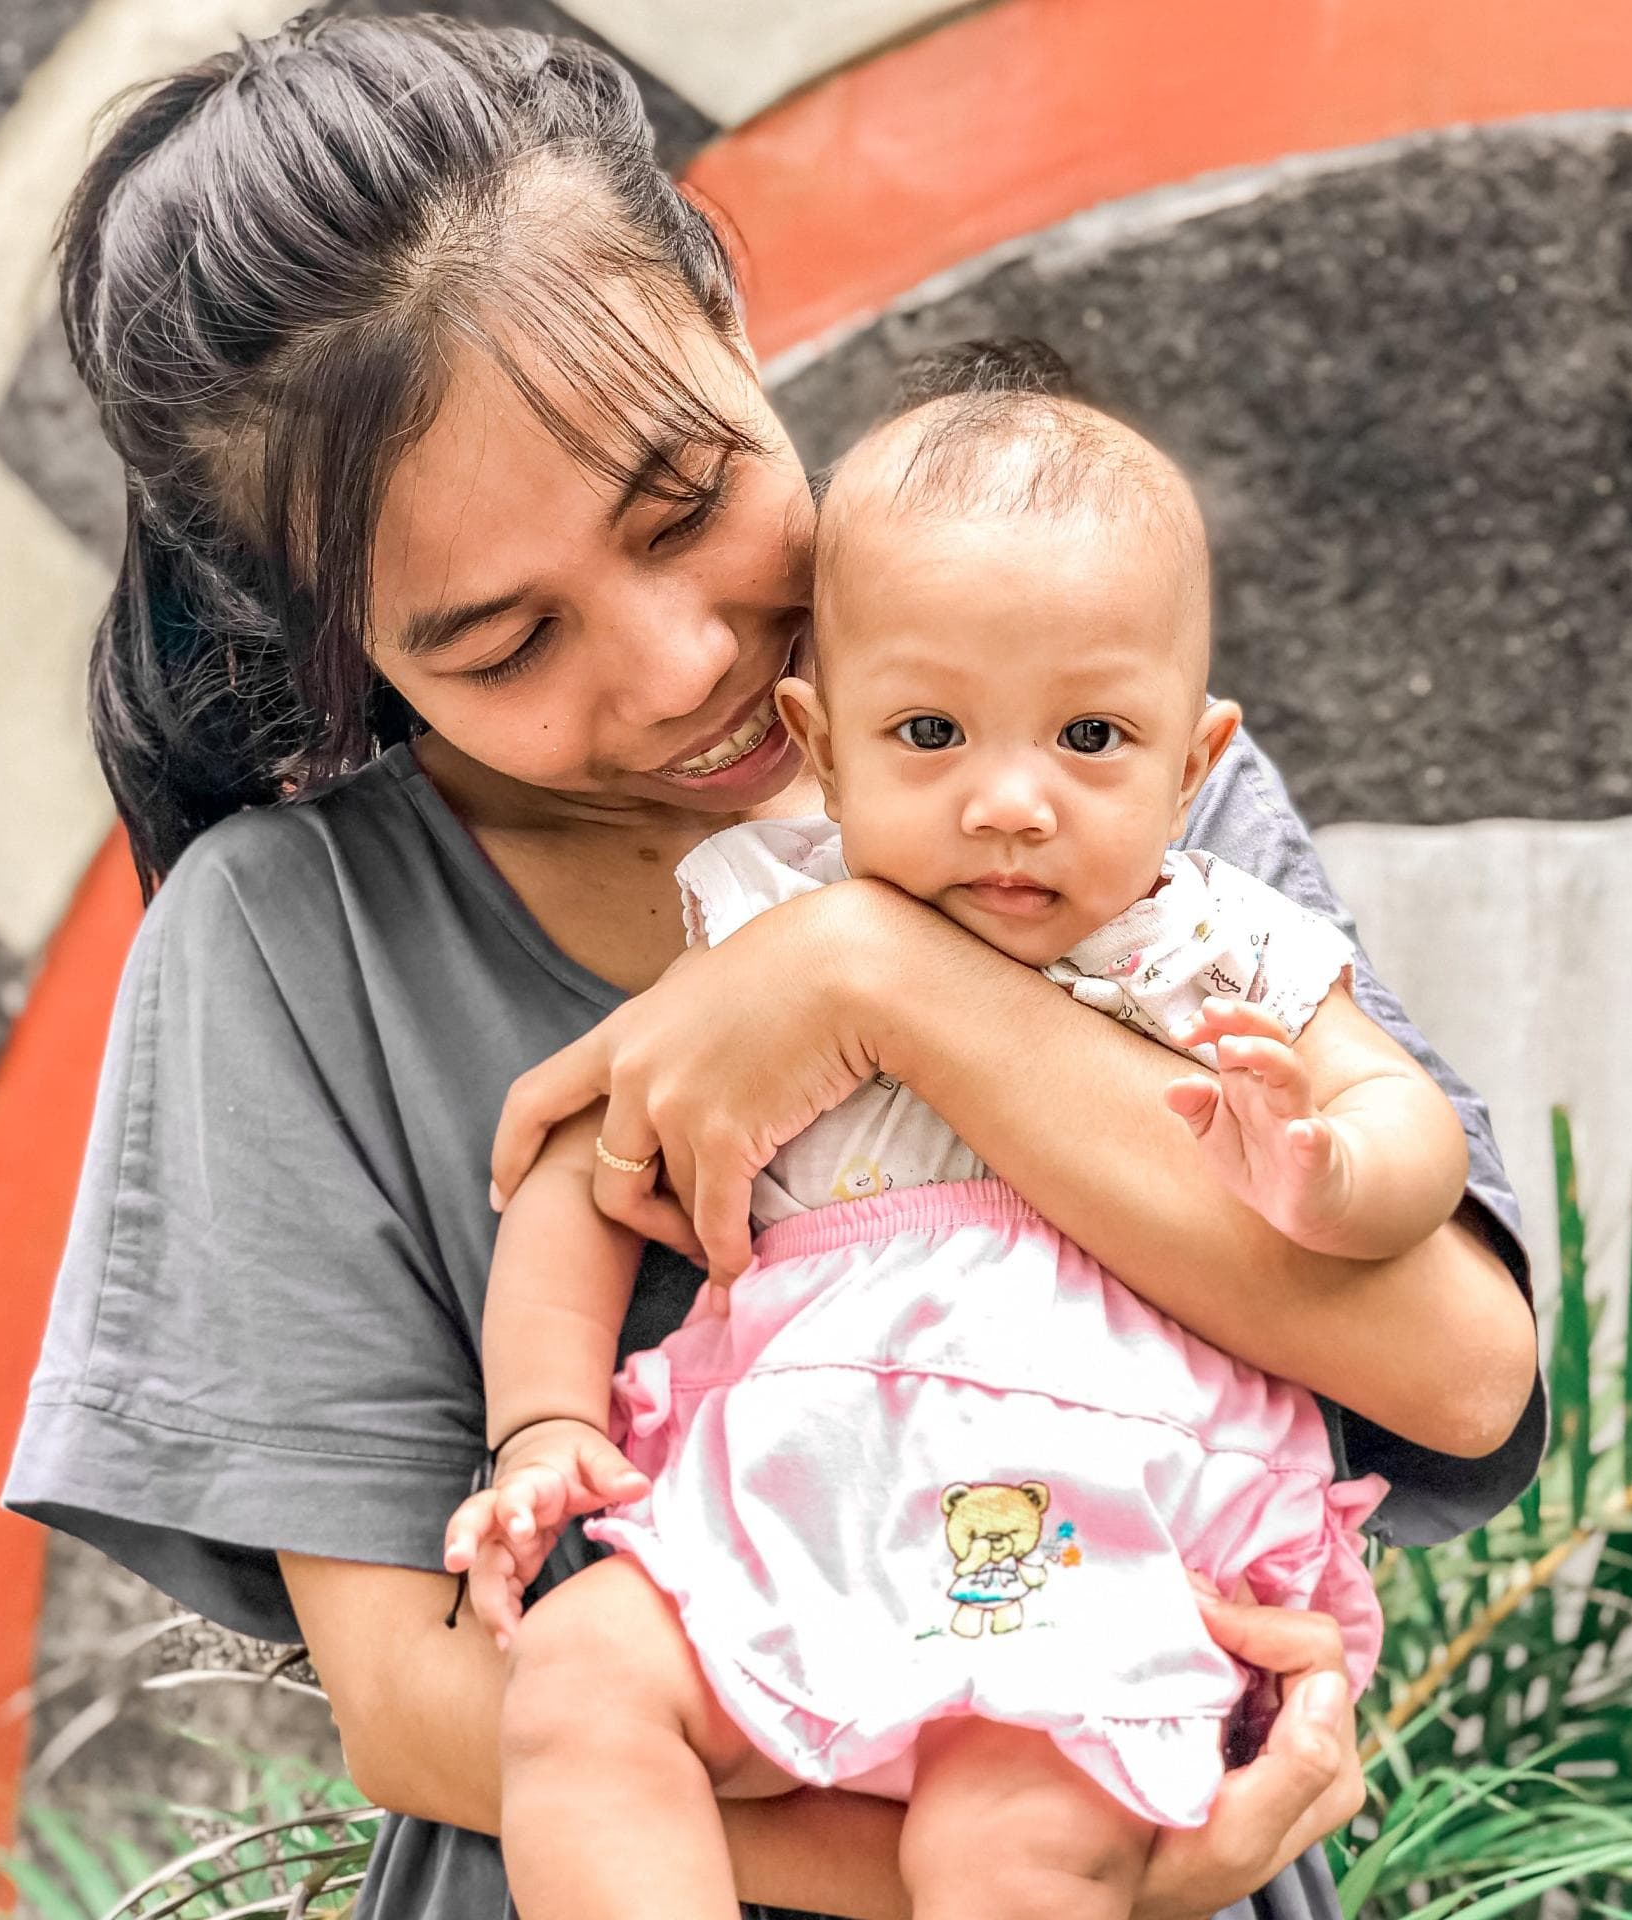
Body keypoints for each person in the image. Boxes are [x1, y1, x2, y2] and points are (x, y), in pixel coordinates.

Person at [0, 17, 1542, 1920]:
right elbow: (409, 1707)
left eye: (682, 503)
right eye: (500, 644)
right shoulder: (290, 947)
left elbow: (1458, 1369)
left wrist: (867, 977)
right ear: (341, 649)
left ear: (732, 308)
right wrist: (1047, 1870)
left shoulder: (1064, 768)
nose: (672, 666)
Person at [448, 366, 1478, 1920]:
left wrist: (1331, 1171)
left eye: (1090, 736)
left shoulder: (1209, 944)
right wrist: (538, 1426)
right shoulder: (757, 931)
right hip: (795, 1505)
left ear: (1195, 768)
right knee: (584, 1684)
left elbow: (1406, 1127)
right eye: (931, 731)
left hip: (1091, 1536)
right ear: (826, 739)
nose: (1010, 802)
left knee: (1013, 1843)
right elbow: (587, 1174)